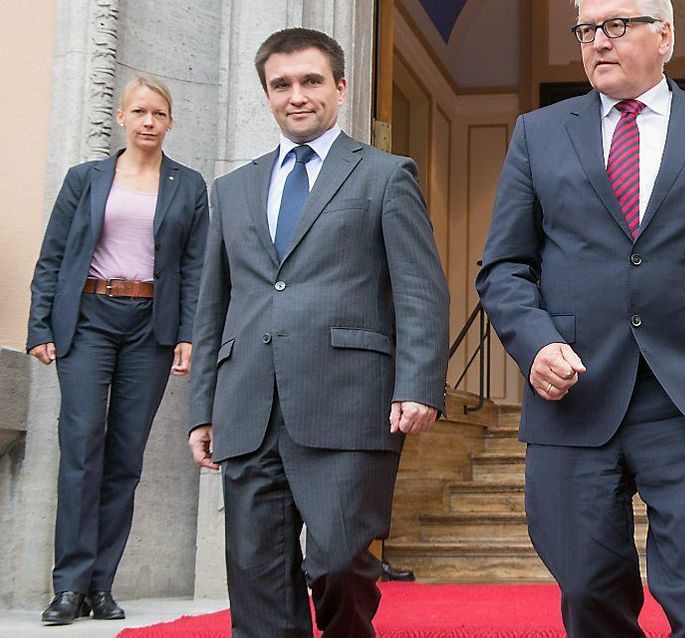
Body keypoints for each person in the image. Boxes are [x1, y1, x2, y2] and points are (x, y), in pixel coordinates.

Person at [475, 0, 685, 635]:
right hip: (575, 391)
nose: (598, 41)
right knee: (590, 590)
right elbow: (503, 267)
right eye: (587, 30)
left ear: (665, 37)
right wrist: (535, 344)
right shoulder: (537, 132)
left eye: (617, 25)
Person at [188, 28, 449, 637]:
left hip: (349, 401)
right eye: (281, 85)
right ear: (267, 94)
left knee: (337, 562)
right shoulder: (231, 190)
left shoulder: (386, 175)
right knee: (256, 575)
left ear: (340, 86)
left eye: (310, 81)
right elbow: (212, 306)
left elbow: (420, 288)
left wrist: (419, 384)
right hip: (248, 402)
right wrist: (203, 406)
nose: (296, 95)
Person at [27, 75, 209, 625]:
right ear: (122, 119)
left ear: (170, 122)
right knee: (81, 445)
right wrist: (41, 325)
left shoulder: (189, 184)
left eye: (159, 113)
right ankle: (68, 586)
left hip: (149, 325)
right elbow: (53, 255)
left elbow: (197, 266)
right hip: (86, 320)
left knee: (126, 457)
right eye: (140, 112)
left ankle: (101, 585)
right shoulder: (85, 179)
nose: (149, 121)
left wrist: (188, 334)